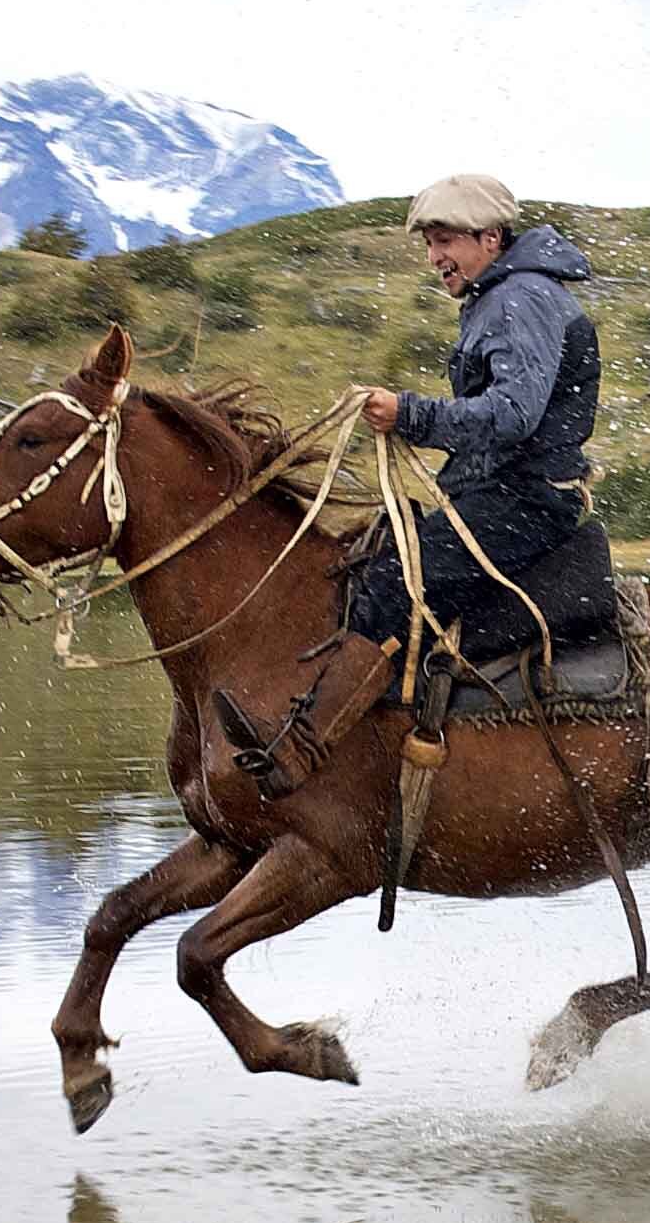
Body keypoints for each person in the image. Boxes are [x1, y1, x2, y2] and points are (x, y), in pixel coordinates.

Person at [215, 173, 613, 797]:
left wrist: (412, 415)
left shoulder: (520, 299)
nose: (435, 259)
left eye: (446, 240)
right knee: (373, 562)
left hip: (524, 502)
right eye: (429, 244)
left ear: (490, 237)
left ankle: (301, 754)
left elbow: (513, 417)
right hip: (501, 495)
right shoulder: (501, 296)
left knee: (395, 581)